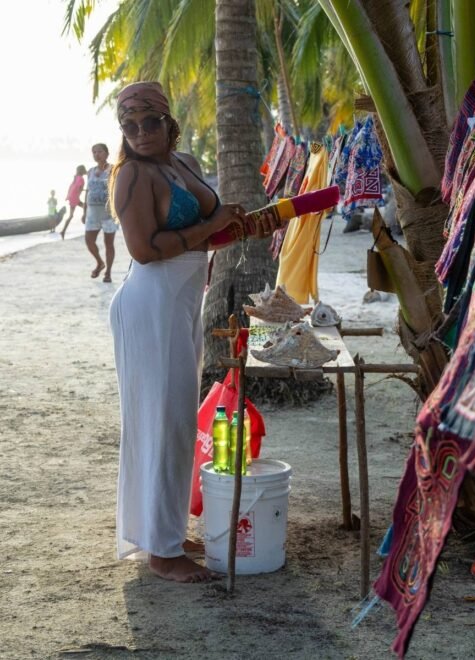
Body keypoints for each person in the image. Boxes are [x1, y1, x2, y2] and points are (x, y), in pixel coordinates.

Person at [108, 81, 280, 583]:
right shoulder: (132, 177)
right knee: (162, 423)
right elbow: (143, 249)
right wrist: (211, 228)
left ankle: (163, 531)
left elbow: (210, 227)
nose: (140, 132)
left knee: (176, 420)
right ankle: (160, 552)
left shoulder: (183, 164)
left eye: (150, 122)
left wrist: (239, 225)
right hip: (150, 305)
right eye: (130, 125)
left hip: (181, 303)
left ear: (169, 121)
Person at [84, 143, 117, 281]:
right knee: (89, 240)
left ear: (107, 154)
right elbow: (88, 191)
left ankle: (108, 272)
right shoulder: (90, 171)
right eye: (94, 152)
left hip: (108, 213)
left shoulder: (113, 169)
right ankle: (99, 262)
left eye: (100, 151)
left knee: (108, 244)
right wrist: (84, 212)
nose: (97, 154)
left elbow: (117, 190)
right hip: (92, 213)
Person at [60, 165, 87, 240]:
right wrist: (85, 190)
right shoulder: (80, 178)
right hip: (75, 198)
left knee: (72, 215)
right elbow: (78, 188)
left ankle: (63, 231)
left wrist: (68, 196)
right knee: (85, 208)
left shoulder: (76, 177)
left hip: (73, 197)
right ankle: (86, 222)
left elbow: (71, 187)